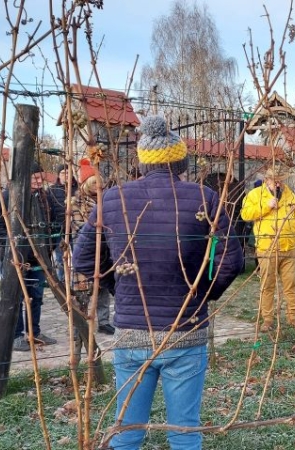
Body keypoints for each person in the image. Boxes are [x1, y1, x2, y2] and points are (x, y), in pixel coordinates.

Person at [73, 115, 243, 449]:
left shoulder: (112, 199)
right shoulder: (204, 198)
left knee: (126, 430)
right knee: (184, 431)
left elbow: (83, 260)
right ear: (181, 161)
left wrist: (119, 285)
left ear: (141, 162)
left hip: (132, 333)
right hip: (186, 327)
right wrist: (203, 295)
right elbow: (232, 260)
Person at [0, 162, 63, 352]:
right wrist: (14, 247)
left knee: (36, 296)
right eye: (35, 178)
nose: (39, 182)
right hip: (16, 258)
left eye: (41, 177)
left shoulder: (46, 198)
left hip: (39, 258)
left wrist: (49, 247)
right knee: (15, 297)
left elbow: (55, 225)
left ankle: (34, 332)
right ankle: (15, 336)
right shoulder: (9, 196)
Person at [241, 166, 295, 331]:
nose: (278, 185)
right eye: (274, 181)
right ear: (267, 181)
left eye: (280, 181)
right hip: (267, 248)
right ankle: (268, 320)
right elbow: (245, 214)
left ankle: (293, 318)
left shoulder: (290, 194)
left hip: (289, 248)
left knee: (290, 285)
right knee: (268, 285)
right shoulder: (255, 195)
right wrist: (266, 206)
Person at [70, 158, 114, 335]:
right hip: (86, 250)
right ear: (86, 183)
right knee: (83, 291)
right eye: (95, 182)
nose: (98, 186)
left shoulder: (106, 200)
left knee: (102, 288)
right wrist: (101, 230)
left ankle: (103, 321)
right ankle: (79, 325)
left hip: (104, 250)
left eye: (100, 182)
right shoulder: (75, 203)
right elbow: (80, 227)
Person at [50, 164, 77, 282]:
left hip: (76, 228)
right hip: (59, 229)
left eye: (68, 173)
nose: (66, 175)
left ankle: (78, 281)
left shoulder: (78, 189)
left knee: (78, 255)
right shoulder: (52, 190)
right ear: (58, 175)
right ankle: (62, 282)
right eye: (63, 173)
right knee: (61, 258)